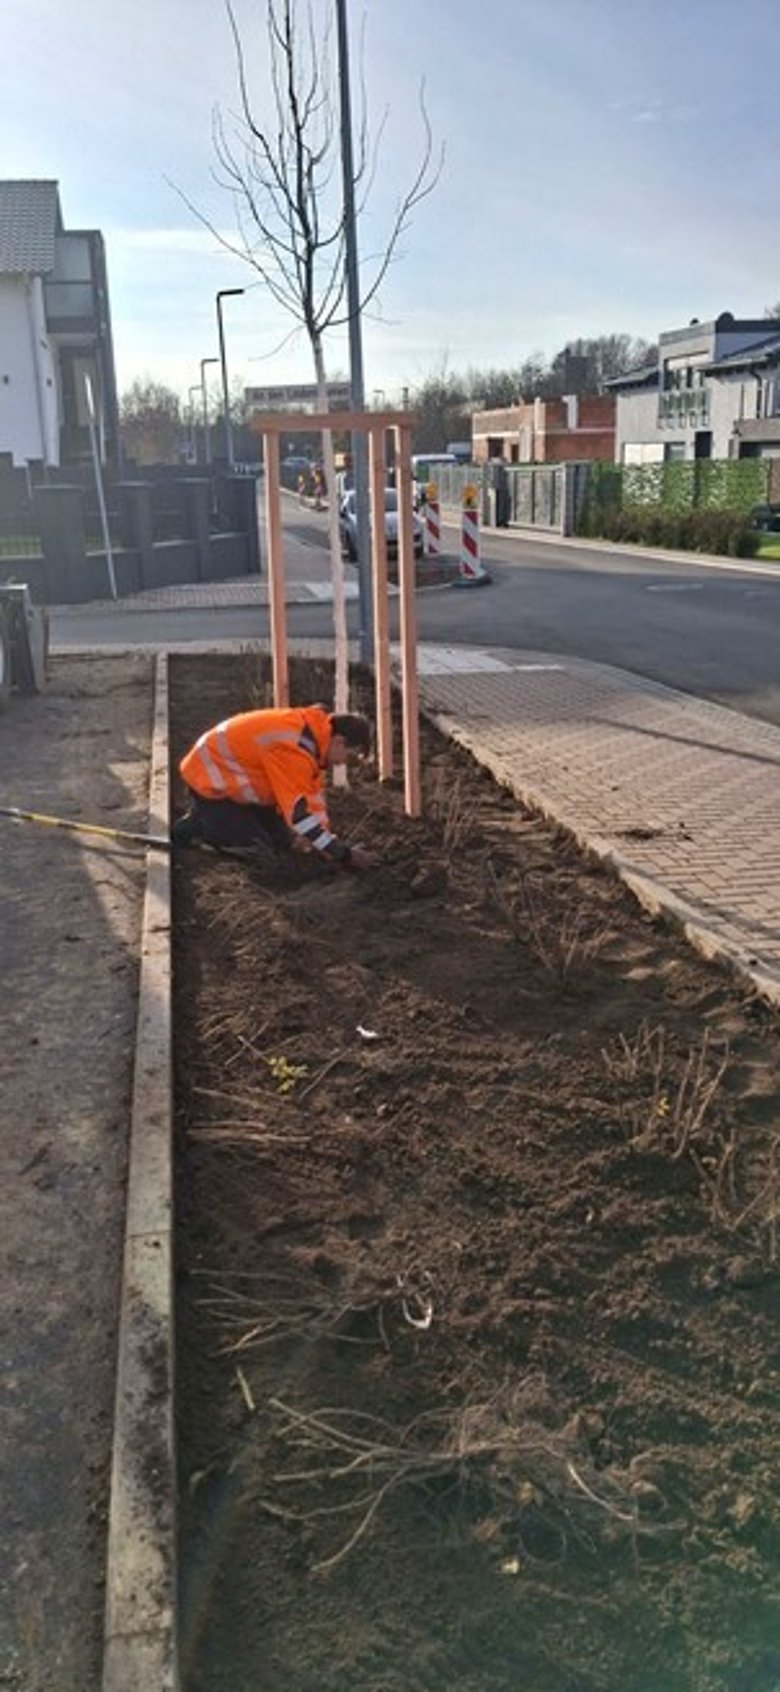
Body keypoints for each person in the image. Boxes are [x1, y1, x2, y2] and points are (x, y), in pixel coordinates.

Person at [172, 703, 377, 870]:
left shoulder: (313, 744)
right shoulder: (295, 749)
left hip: (236, 785)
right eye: (349, 757)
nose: (343, 764)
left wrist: (324, 845)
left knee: (282, 842)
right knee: (258, 852)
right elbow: (298, 816)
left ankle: (211, 821)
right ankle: (202, 829)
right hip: (210, 783)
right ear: (339, 742)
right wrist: (343, 854)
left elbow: (311, 803)